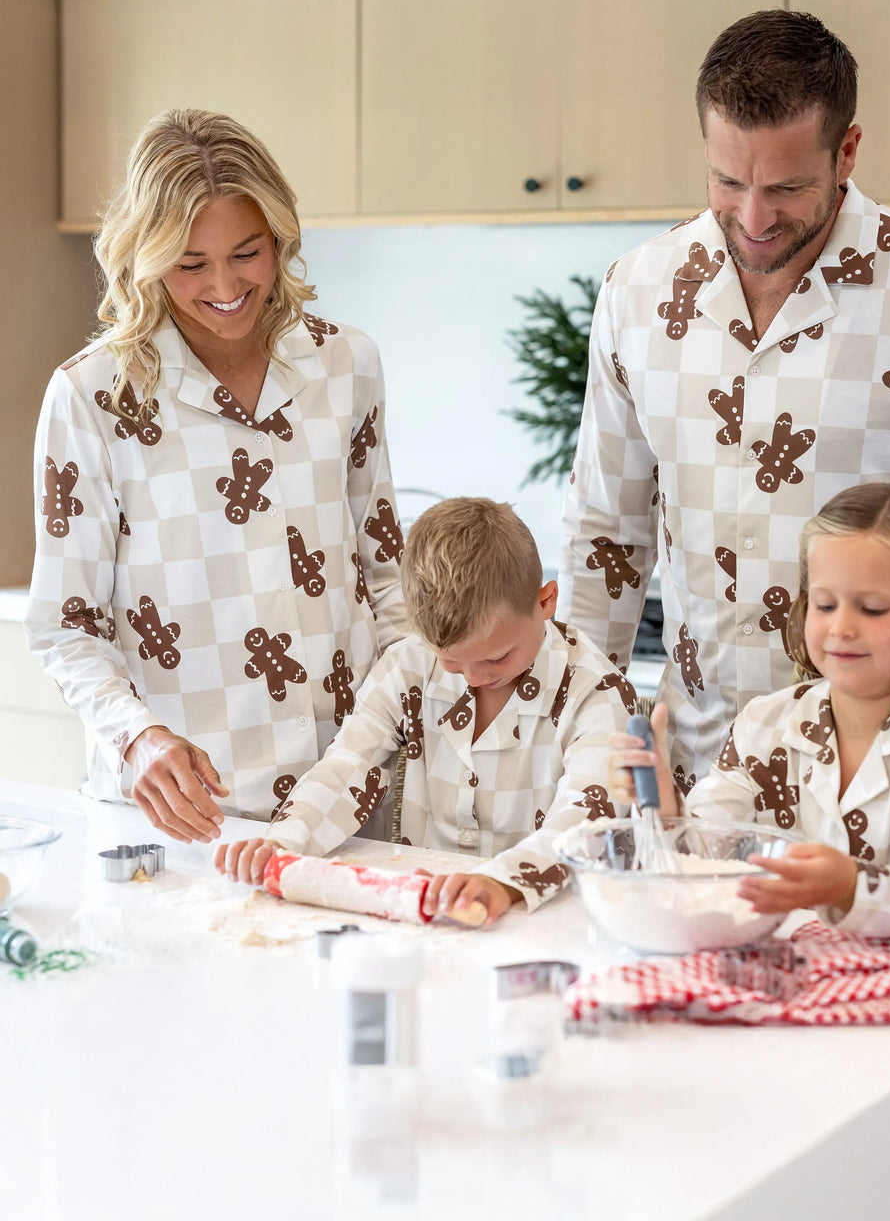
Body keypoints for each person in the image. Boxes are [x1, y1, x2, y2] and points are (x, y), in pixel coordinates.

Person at [561, 9, 890, 786]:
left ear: (848, 150)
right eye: (727, 181)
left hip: (886, 790)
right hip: (695, 780)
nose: (754, 218)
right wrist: (582, 742)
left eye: (787, 187)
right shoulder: (637, 290)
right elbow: (606, 532)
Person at [25, 110, 407, 840]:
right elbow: (64, 626)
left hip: (345, 797)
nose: (227, 285)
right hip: (181, 814)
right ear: (144, 253)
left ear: (280, 238)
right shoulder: (92, 396)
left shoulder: (346, 364)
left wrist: (400, 727)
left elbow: (385, 573)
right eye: (190, 263)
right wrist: (136, 737)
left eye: (248, 252)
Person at [612, 483, 890, 942]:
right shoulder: (766, 723)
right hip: (845, 971)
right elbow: (709, 852)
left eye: (872, 609)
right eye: (825, 604)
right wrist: (666, 808)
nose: (841, 627)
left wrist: (851, 886)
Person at [216, 497, 636, 923]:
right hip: (420, 907)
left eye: (497, 658)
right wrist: (285, 842)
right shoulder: (408, 665)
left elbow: (584, 820)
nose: (473, 677)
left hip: (544, 917)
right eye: (451, 661)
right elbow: (347, 767)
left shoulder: (596, 694)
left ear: (545, 602)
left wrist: (502, 883)